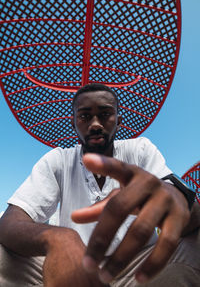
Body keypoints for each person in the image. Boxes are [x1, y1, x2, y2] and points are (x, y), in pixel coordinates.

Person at [0, 83, 199, 287]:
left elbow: (190, 217)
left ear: (118, 121)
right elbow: (9, 223)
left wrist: (178, 202)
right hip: (70, 267)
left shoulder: (140, 150)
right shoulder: (58, 160)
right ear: (74, 122)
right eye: (85, 116)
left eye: (105, 114)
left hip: (138, 270)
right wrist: (57, 238)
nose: (95, 124)